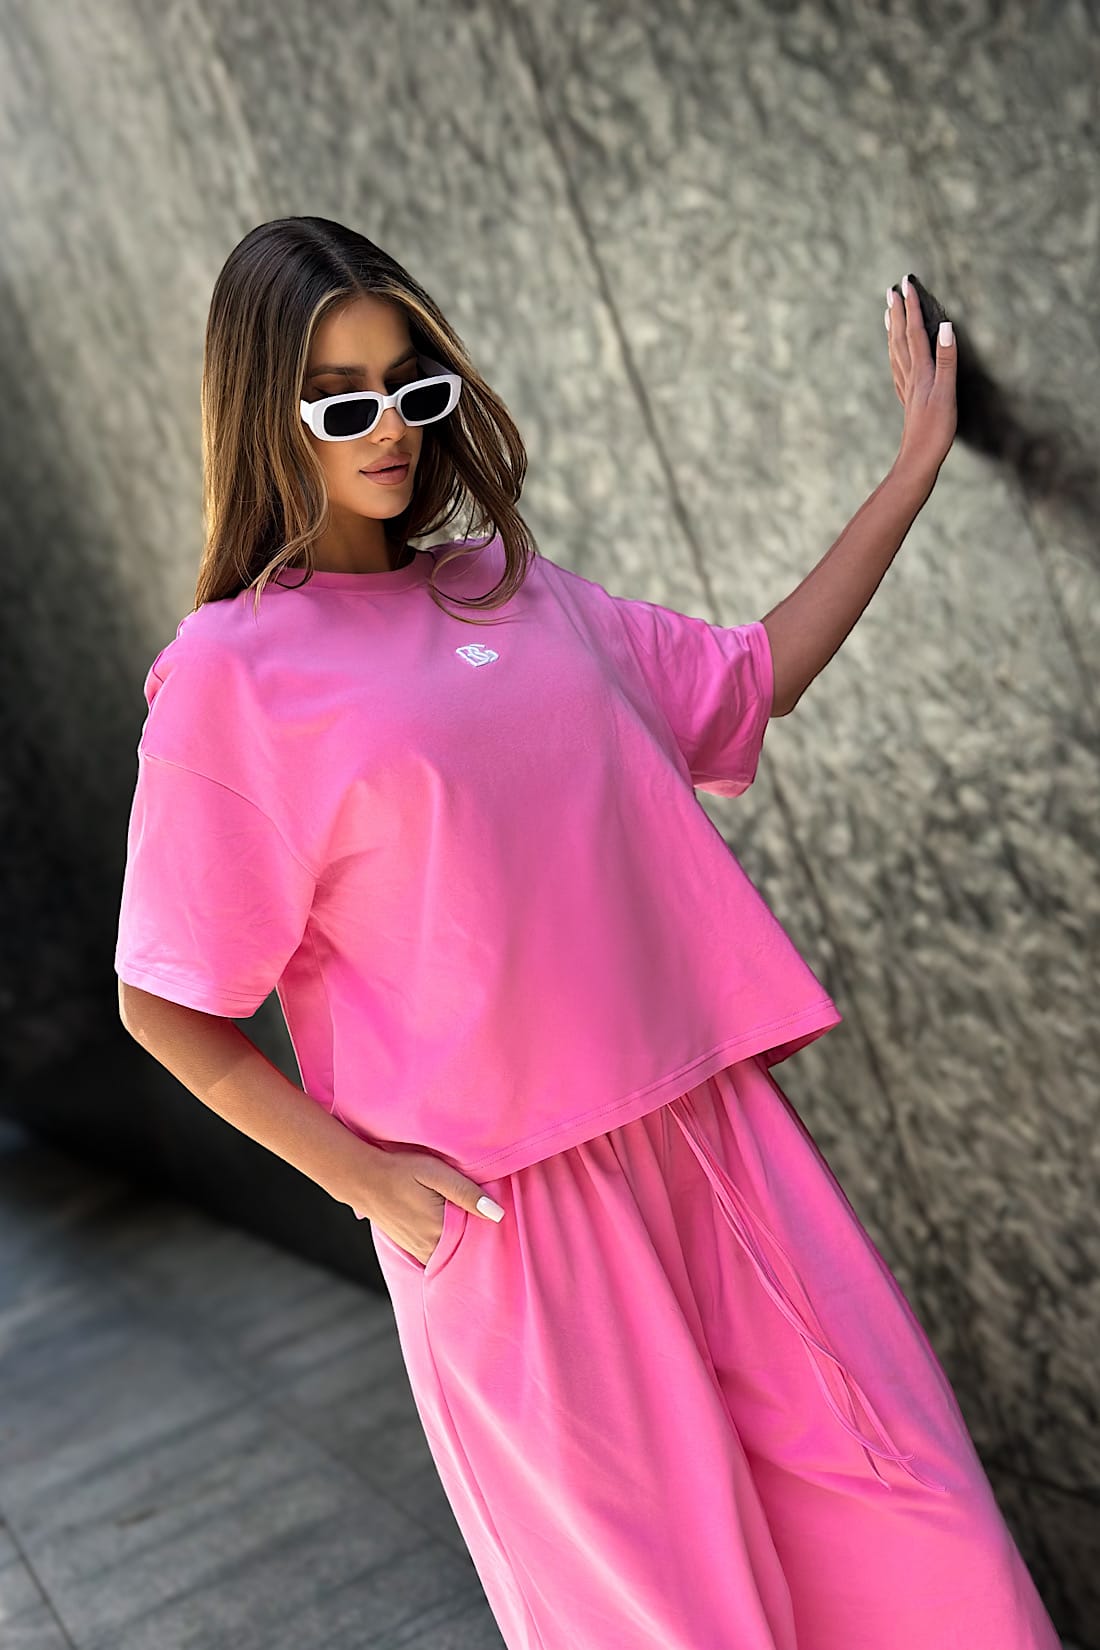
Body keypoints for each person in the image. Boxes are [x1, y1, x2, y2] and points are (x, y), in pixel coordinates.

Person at [114, 217, 1062, 1650]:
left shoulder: (518, 591)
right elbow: (166, 1000)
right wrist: (367, 1180)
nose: (391, 428)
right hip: (513, 1226)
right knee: (682, 1623)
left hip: (717, 1147)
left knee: (927, 1551)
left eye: (412, 384)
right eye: (341, 401)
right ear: (264, 414)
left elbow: (749, 679)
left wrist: (913, 466)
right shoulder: (230, 679)